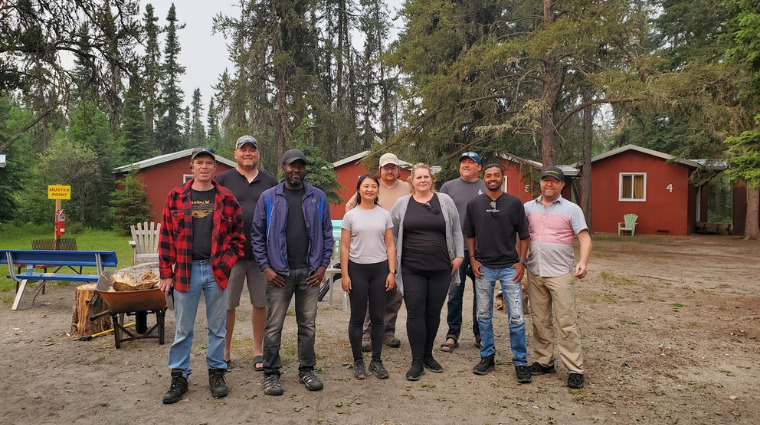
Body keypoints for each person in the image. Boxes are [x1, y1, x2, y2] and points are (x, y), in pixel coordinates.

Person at [158, 147, 246, 404]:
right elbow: (166, 238)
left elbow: (239, 238)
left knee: (217, 327)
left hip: (216, 271)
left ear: (215, 168)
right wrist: (166, 272)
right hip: (186, 270)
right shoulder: (175, 196)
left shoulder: (227, 198)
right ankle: (179, 376)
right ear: (192, 167)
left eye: (209, 163)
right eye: (200, 163)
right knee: (184, 329)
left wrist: (225, 263)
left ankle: (217, 372)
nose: (204, 167)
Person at [251, 149, 334, 396]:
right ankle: (271, 374)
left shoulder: (317, 198)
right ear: (283, 167)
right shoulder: (269, 197)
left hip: (310, 273)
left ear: (304, 169)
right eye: (291, 166)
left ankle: (306, 369)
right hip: (279, 273)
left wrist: (322, 267)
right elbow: (257, 236)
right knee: (274, 325)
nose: (295, 170)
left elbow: (327, 234)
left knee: (307, 325)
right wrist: (266, 268)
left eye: (300, 166)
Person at [390, 163, 464, 381]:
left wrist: (459, 256)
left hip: (441, 268)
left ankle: (428, 355)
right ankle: (416, 361)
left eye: (426, 177)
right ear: (411, 181)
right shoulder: (402, 204)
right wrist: (393, 264)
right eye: (418, 177)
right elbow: (393, 235)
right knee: (415, 313)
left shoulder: (445, 201)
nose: (422, 180)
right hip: (412, 269)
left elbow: (456, 229)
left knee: (433, 313)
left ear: (432, 180)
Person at [523, 166, 592, 389]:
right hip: (534, 271)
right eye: (545, 180)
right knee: (540, 320)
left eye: (554, 181)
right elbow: (520, 236)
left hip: (560, 273)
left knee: (566, 321)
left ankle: (575, 368)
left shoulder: (572, 209)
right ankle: (544, 362)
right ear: (540, 183)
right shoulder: (527, 208)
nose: (549, 184)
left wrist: (582, 262)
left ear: (562, 185)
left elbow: (584, 238)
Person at [464, 164, 531, 383]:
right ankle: (487, 356)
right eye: (489, 176)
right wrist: (473, 260)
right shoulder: (474, 204)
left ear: (502, 178)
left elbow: (523, 235)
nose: (492, 179)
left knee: (517, 317)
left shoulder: (514, 203)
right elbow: (470, 234)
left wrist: (521, 262)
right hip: (483, 268)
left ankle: (520, 362)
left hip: (509, 268)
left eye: (496, 175)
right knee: (483, 315)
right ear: (483, 179)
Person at [215, 135, 277, 371]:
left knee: (260, 304)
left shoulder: (270, 182)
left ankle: (258, 350)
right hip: (230, 255)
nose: (248, 153)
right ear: (236, 154)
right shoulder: (222, 180)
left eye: (252, 149)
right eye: (243, 150)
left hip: (261, 255)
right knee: (227, 305)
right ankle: (225, 350)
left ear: (258, 154)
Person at [345, 153, 410, 351]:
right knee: (368, 294)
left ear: (398, 170)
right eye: (386, 167)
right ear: (380, 170)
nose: (389, 171)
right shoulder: (371, 186)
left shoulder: (407, 188)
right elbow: (350, 207)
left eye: (393, 167)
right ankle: (366, 333)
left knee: (394, 292)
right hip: (372, 248)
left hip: (400, 246)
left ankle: (387, 332)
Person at [340, 174, 396, 379]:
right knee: (357, 317)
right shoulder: (351, 216)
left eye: (374, 186)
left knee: (378, 317)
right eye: (366, 186)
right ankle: (358, 361)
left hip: (380, 269)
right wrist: (345, 275)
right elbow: (344, 247)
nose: (370, 189)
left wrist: (392, 271)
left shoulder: (384, 215)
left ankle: (376, 361)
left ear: (377, 190)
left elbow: (390, 244)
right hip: (357, 270)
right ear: (358, 189)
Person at [439, 152, 486, 353]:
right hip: (455, 250)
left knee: (481, 293)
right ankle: (452, 335)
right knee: (455, 293)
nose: (466, 165)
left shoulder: (486, 187)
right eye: (463, 162)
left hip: (481, 250)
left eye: (471, 162)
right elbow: (440, 216)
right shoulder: (448, 187)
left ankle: (480, 334)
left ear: (479, 167)